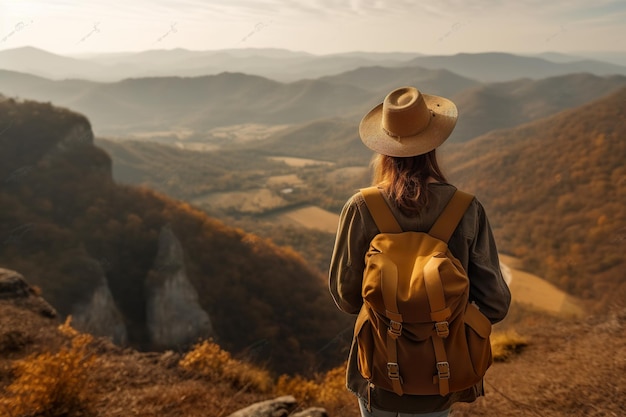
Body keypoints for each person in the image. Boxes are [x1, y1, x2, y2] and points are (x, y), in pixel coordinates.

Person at [329, 86, 511, 417]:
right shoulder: (466, 209)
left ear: (382, 148)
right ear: (434, 145)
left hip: (378, 373)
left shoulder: (361, 207)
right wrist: (445, 320)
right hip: (442, 375)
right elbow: (496, 303)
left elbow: (346, 297)